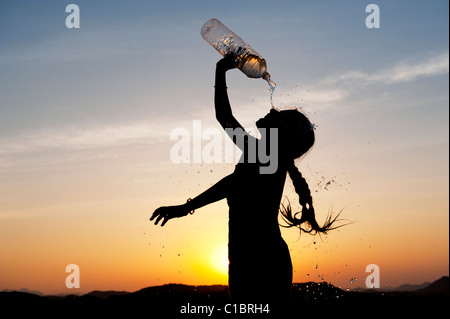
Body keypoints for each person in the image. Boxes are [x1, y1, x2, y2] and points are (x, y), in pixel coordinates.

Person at [151, 54, 340, 307]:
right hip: (260, 256)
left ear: (282, 135)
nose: (272, 110)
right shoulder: (263, 154)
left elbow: (232, 183)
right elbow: (225, 119)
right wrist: (220, 71)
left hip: (254, 259)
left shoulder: (264, 155)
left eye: (278, 115)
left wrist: (185, 208)